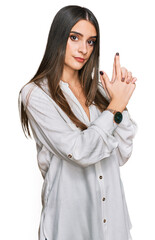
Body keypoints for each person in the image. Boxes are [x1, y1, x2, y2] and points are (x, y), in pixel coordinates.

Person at [18, 5, 138, 240]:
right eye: (75, 38)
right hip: (69, 223)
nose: (84, 49)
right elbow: (78, 151)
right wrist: (116, 107)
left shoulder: (101, 89)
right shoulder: (35, 95)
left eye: (91, 42)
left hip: (112, 222)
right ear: (58, 37)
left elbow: (122, 154)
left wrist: (118, 103)